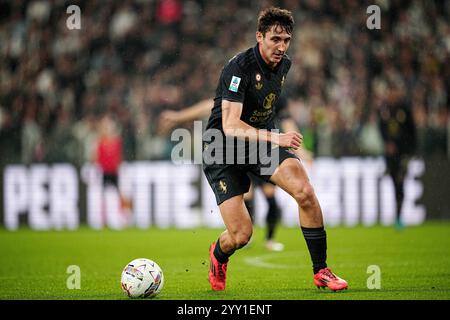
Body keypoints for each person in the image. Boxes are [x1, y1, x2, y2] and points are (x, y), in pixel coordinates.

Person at [198, 7, 347, 292]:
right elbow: (229, 125)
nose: (281, 46)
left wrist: (278, 137)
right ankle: (218, 254)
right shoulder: (238, 68)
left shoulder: (284, 65)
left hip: (259, 145)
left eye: (286, 40)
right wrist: (276, 137)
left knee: (305, 191)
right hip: (222, 149)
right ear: (259, 37)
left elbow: (268, 106)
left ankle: (322, 271)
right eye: (275, 39)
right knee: (241, 235)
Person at [159, 95, 313, 252]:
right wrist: (178, 117)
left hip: (265, 150)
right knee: (247, 196)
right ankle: (247, 235)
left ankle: (270, 239)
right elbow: (208, 106)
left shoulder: (276, 93)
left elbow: (287, 121)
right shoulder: (239, 86)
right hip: (240, 151)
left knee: (270, 195)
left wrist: (301, 150)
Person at [378, 81, 417, 229]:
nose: (392, 96)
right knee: (395, 183)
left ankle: (399, 217)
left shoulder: (405, 108)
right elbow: (381, 128)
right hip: (390, 156)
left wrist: (410, 151)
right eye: (390, 92)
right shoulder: (384, 109)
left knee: (400, 182)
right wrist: (387, 143)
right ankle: (398, 216)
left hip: (403, 153)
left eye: (394, 92)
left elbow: (412, 131)